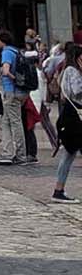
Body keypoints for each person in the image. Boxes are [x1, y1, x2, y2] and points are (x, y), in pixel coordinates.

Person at [50, 42, 82, 203]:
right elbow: (77, 91)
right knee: (69, 153)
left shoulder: (66, 70)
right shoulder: (72, 71)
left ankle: (59, 189)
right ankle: (58, 190)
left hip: (71, 117)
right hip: (74, 119)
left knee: (68, 154)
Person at [0, 31, 28, 166]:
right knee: (5, 122)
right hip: (20, 92)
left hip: (11, 91)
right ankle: (7, 152)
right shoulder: (16, 51)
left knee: (14, 123)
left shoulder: (6, 52)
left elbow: (6, 71)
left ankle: (20, 155)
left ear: (2, 41)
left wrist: (11, 77)